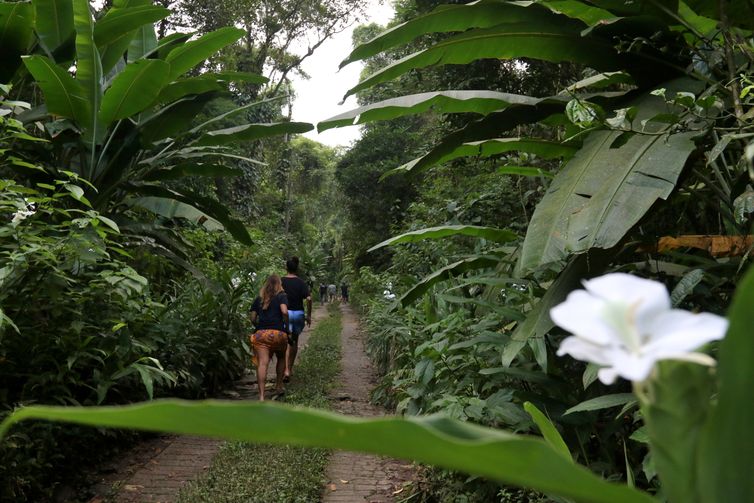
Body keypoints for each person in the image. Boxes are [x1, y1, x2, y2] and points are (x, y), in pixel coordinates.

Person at [249, 274, 289, 401]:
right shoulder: (282, 296)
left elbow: (253, 318)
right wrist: (286, 325)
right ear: (279, 284)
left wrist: (259, 326)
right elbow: (284, 311)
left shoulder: (259, 299)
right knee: (281, 357)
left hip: (261, 335)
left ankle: (261, 396)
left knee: (262, 363)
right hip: (278, 334)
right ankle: (279, 385)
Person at [281, 257, 312, 381]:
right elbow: (309, 299)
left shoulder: (281, 281)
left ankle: (285, 370)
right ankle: (290, 368)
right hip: (298, 314)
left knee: (284, 341)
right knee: (294, 341)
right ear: (296, 268)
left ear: (286, 268)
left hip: (285, 313)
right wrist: (309, 315)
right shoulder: (301, 282)